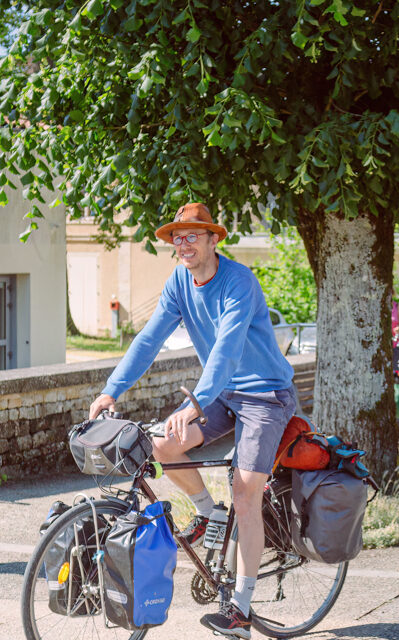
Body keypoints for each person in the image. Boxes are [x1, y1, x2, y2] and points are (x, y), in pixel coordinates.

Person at [87, 203, 296, 638]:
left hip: (264, 396)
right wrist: (111, 389)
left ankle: (239, 609)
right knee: (162, 445)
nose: (183, 244)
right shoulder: (179, 282)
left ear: (213, 239)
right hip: (221, 394)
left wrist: (195, 403)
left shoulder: (239, 282)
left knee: (245, 491)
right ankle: (208, 512)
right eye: (177, 237)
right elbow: (149, 340)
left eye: (193, 235)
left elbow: (227, 351)